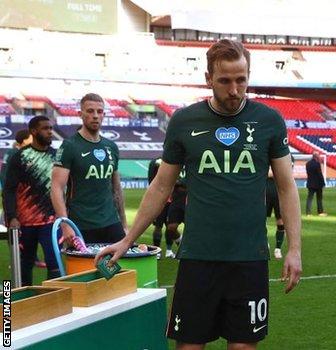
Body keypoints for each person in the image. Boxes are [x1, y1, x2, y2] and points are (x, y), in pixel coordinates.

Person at [95, 39, 302, 350]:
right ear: (208, 79)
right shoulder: (184, 121)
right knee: (189, 345)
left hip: (249, 257)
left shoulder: (269, 121)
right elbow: (162, 185)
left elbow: (286, 186)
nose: (235, 90)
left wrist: (294, 249)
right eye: (225, 81)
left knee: (244, 346)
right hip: (198, 257)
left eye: (241, 80)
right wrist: (128, 239)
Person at [51, 93, 128, 244]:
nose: (95, 116)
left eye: (99, 112)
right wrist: (65, 225)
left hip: (111, 222)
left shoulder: (111, 147)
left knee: (121, 267)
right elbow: (56, 188)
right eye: (90, 111)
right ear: (80, 114)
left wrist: (124, 224)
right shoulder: (70, 146)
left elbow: (116, 188)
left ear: (104, 115)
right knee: (86, 268)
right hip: (81, 224)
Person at [3, 116, 59, 285]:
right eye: (45, 128)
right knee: (25, 265)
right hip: (25, 222)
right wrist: (11, 216)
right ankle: (22, 301)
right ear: (34, 131)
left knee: (54, 263)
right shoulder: (19, 157)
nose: (50, 132)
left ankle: (54, 300)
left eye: (51, 128)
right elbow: (9, 189)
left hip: (50, 220)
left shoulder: (57, 156)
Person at [305, 151, 326, 216]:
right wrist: (323, 183)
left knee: (309, 198)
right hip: (318, 184)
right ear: (316, 156)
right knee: (319, 198)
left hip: (310, 183)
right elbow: (319, 174)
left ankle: (308, 212)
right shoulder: (317, 164)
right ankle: (320, 212)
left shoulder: (307, 163)